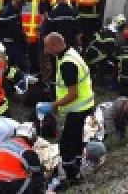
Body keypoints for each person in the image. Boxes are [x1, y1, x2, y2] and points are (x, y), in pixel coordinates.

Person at [38, 33, 95, 182]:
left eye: (47, 47)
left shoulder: (67, 63)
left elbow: (73, 94)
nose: (46, 50)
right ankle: (77, 167)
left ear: (56, 45)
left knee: (66, 144)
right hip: (83, 106)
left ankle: (72, 176)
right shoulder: (70, 54)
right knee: (76, 139)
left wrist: (52, 105)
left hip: (77, 109)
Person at [0, 122, 44, 194]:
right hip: (2, 186)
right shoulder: (27, 150)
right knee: (38, 178)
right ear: (32, 138)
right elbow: (36, 172)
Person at [84, 14, 127, 82]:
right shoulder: (110, 34)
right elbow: (109, 50)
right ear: (119, 25)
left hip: (90, 53)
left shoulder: (106, 29)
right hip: (95, 56)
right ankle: (97, 75)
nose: (123, 28)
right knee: (111, 64)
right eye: (123, 26)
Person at [0, 0, 28, 70]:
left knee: (12, 66)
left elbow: (18, 27)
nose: (23, 6)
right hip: (8, 44)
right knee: (23, 64)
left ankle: (12, 80)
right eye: (23, 3)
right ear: (19, 1)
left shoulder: (16, 10)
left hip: (16, 42)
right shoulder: (5, 12)